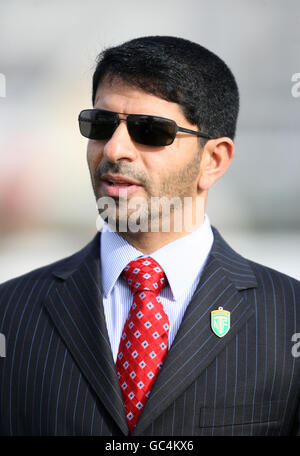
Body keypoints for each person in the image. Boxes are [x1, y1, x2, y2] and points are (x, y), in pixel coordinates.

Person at [0, 35, 299, 437]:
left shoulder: (289, 318)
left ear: (213, 160)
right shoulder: (11, 313)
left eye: (149, 131)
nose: (115, 148)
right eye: (101, 125)